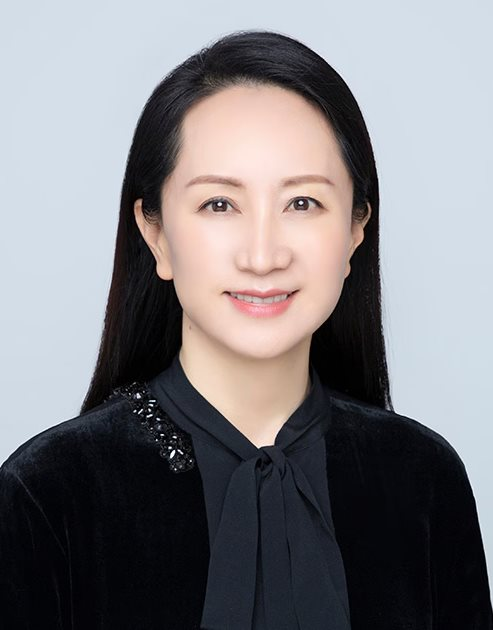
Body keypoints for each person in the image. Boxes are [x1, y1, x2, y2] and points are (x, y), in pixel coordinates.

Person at [0, 29, 491, 630]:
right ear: (155, 233)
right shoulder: (48, 494)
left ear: (356, 228)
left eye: (302, 203)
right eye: (219, 204)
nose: (263, 257)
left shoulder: (424, 479)